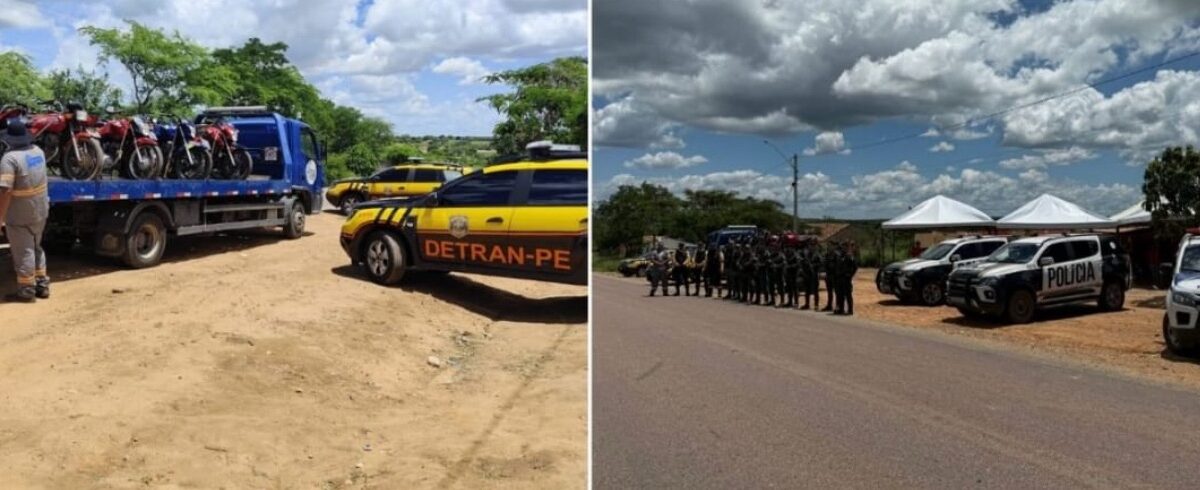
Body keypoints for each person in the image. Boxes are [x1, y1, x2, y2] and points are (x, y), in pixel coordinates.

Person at [0, 119, 50, 302]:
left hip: (20, 214)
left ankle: (27, 290)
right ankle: (42, 285)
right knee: (36, 247)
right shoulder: (38, 152)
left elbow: (5, 190)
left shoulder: (10, 159)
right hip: (40, 210)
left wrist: (0, 217)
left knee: (23, 251)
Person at [836, 241, 859, 315]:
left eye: (845, 247)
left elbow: (855, 267)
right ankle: (841, 309)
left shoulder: (850, 256)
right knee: (841, 295)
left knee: (848, 295)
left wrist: (850, 275)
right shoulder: (840, 256)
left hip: (846, 278)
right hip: (840, 278)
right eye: (842, 247)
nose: (843, 248)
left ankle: (850, 310)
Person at [824, 242, 841, 312]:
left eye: (831, 246)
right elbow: (825, 264)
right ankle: (829, 305)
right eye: (829, 246)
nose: (830, 247)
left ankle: (838, 306)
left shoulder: (837, 255)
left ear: (834, 247)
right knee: (829, 292)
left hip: (835, 276)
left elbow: (838, 265)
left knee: (837, 292)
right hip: (828, 275)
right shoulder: (827, 255)